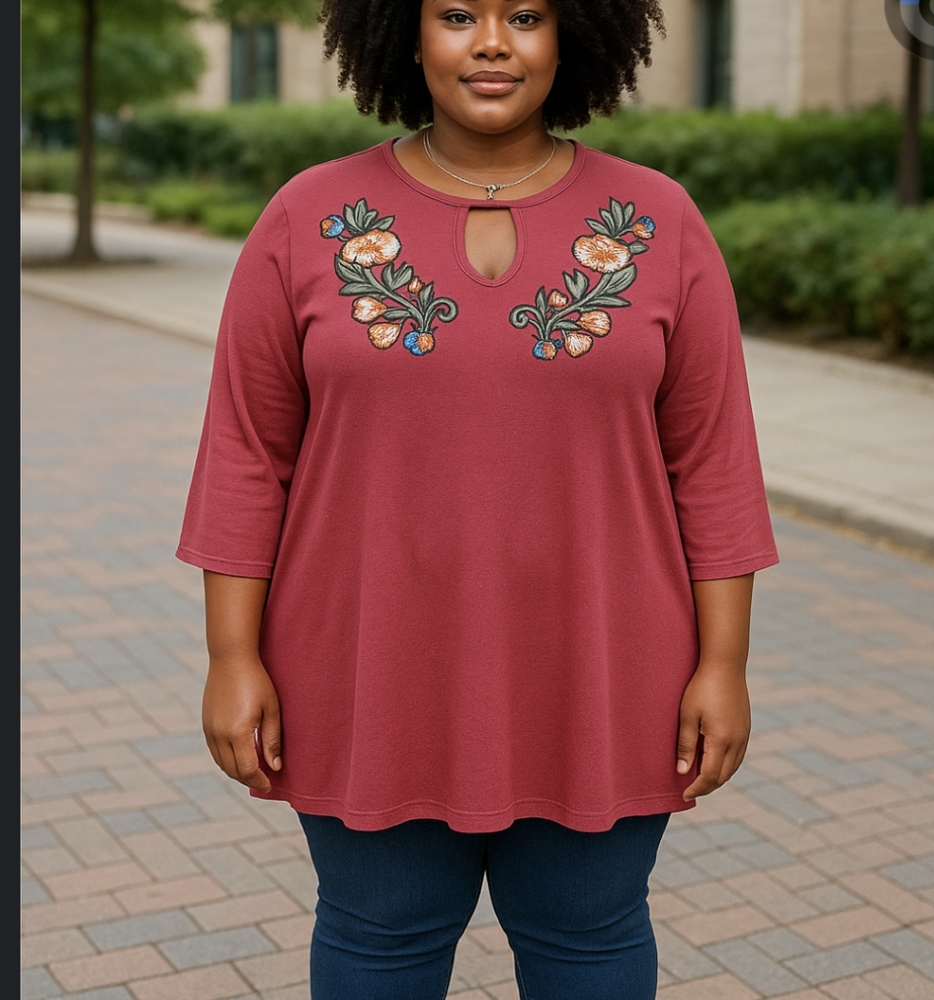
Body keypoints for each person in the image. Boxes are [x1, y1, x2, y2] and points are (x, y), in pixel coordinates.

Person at [176, 1, 780, 997]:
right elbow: (247, 455)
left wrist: (724, 663)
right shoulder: (307, 218)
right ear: (405, 38)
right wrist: (230, 655)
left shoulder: (660, 221)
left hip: (604, 669)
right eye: (457, 14)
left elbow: (711, 465)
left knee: (590, 942)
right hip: (366, 670)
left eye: (526, 15)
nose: (491, 41)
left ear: (571, 37)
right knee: (378, 942)